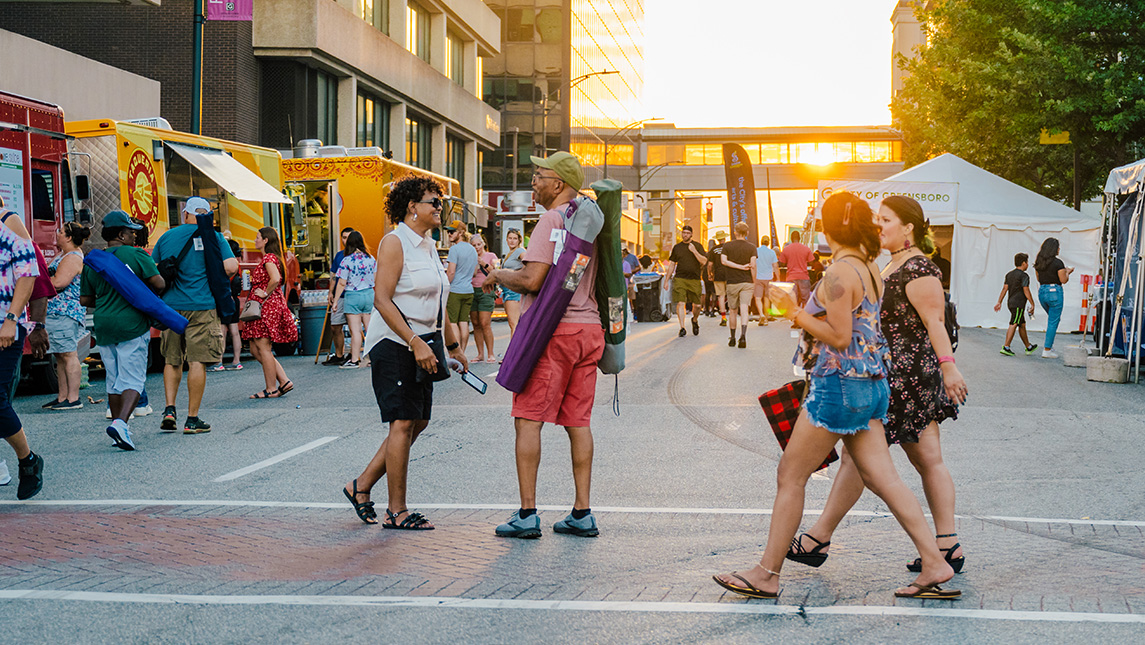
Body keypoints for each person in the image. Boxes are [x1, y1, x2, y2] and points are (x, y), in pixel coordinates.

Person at [713, 191, 959, 601]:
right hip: (870, 384)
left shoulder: (840, 274)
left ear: (828, 229)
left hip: (838, 387)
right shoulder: (869, 268)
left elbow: (840, 337)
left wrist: (793, 311)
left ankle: (766, 574)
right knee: (885, 479)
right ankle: (935, 561)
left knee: (791, 474)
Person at [787, 194, 970, 582]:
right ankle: (940, 546)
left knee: (922, 460)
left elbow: (935, 323)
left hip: (907, 377)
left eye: (887, 220)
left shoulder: (919, 268)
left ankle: (945, 544)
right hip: (887, 372)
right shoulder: (892, 264)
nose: (880, 226)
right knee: (873, 460)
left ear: (909, 227)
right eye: (879, 219)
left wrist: (949, 368)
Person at [482, 151, 604, 540]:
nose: (532, 182)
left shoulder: (551, 220)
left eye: (539, 175)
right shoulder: (589, 223)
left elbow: (533, 280)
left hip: (555, 332)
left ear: (559, 184)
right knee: (578, 422)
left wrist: (497, 274)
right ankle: (582, 512)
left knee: (528, 417)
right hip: (589, 330)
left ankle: (527, 514)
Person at [342, 176, 467, 531]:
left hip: (425, 343)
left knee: (419, 421)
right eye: (434, 202)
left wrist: (453, 346)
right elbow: (382, 299)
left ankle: (361, 486)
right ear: (413, 207)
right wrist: (414, 341)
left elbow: (437, 300)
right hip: (396, 344)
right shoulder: (394, 242)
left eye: (440, 202)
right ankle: (397, 511)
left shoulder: (427, 244)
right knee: (403, 423)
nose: (439, 208)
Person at [79, 212, 165, 450]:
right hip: (131, 323)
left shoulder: (93, 260)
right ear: (121, 234)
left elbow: (85, 298)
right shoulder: (136, 254)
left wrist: (108, 296)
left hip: (104, 323)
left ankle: (120, 429)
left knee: (114, 377)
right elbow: (159, 284)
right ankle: (120, 423)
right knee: (134, 378)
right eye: (130, 232)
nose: (134, 236)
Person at [152, 197, 238, 434]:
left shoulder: (167, 237)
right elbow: (231, 267)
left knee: (172, 359)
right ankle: (192, 419)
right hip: (202, 305)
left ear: (185, 214)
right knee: (196, 361)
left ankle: (169, 409)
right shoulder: (215, 237)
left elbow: (154, 270)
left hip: (170, 308)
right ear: (207, 215)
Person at [0, 211, 45, 499]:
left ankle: (28, 460)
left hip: (4, 328)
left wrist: (12, 318)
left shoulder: (8, 222)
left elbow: (28, 274)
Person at [242, 227, 298, 397]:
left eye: (258, 237)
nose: (255, 240)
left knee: (263, 346)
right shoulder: (272, 258)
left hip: (266, 307)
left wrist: (264, 292)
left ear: (266, 240)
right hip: (267, 305)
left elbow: (275, 279)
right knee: (255, 348)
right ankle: (284, 380)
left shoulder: (268, 258)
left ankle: (271, 388)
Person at [44, 222, 90, 410]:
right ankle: (62, 396)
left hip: (65, 312)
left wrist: (45, 281)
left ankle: (73, 398)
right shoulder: (63, 255)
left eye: (61, 232)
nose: (58, 234)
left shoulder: (72, 257)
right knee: (60, 356)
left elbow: (59, 282)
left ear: (69, 237)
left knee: (69, 354)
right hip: (56, 312)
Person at [332, 230, 377, 369]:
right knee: (370, 329)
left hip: (353, 296)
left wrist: (335, 301)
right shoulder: (371, 258)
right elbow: (375, 278)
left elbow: (341, 282)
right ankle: (374, 358)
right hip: (369, 294)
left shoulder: (347, 260)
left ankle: (354, 359)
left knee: (356, 331)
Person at [664, 224, 707, 337]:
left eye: (687, 233)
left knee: (697, 306)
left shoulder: (697, 246)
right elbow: (672, 264)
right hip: (680, 278)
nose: (685, 235)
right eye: (683, 233)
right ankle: (682, 327)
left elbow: (704, 261)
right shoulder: (677, 247)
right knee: (680, 303)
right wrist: (666, 280)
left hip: (695, 279)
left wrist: (694, 251)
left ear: (691, 234)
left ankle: (694, 320)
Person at [1034, 237, 1073, 358]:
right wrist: (1068, 272)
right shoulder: (1058, 263)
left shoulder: (1039, 262)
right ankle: (1047, 349)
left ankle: (1049, 344)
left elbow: (1038, 279)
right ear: (1054, 249)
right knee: (1053, 321)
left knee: (1053, 319)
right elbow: (1063, 280)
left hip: (1042, 292)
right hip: (1055, 292)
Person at [719, 221, 756, 348]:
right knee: (744, 309)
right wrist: (754, 282)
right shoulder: (752, 247)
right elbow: (753, 266)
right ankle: (743, 336)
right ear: (747, 233)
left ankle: (733, 338)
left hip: (732, 282)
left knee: (733, 311)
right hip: (747, 282)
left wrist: (737, 266)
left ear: (735, 232)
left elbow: (723, 261)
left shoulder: (727, 246)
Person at [445, 220, 477, 357]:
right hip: (468, 290)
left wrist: (445, 285)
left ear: (461, 233)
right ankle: (462, 352)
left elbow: (451, 272)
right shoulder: (472, 249)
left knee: (452, 322)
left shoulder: (454, 249)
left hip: (455, 290)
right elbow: (475, 272)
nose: (449, 234)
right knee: (463, 321)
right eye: (448, 232)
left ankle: (456, 353)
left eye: (452, 232)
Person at [995, 253, 1038, 356]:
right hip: (1019, 304)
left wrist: (999, 302)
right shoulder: (1024, 276)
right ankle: (1006, 346)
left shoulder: (1009, 274)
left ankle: (1028, 346)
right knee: (1014, 323)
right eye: (1027, 262)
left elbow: (1005, 289)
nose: (1027, 265)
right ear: (1023, 263)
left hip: (1011, 303)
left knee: (1022, 324)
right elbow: (1026, 290)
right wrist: (1032, 303)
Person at [213, 237, 244, 372]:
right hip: (235, 300)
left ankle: (219, 361)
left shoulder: (225, 265)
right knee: (235, 332)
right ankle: (236, 361)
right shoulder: (238, 265)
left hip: (224, 299)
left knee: (222, 331)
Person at [324, 227, 354, 366]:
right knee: (335, 326)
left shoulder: (358, 256)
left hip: (353, 294)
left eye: (348, 237)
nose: (345, 240)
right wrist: (331, 292)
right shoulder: (339, 255)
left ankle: (354, 355)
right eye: (343, 237)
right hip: (339, 296)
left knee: (355, 327)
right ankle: (339, 354)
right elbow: (334, 276)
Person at [469, 233, 498, 363]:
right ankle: (480, 354)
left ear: (483, 244)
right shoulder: (471, 257)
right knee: (475, 324)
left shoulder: (491, 256)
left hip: (486, 290)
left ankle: (491, 353)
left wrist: (483, 263)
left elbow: (497, 272)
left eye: (479, 244)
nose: (477, 247)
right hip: (472, 290)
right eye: (474, 245)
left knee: (485, 323)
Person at [500, 228, 526, 344]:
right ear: (506, 239)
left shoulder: (520, 251)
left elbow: (528, 261)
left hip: (513, 291)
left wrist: (517, 274)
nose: (512, 241)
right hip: (507, 290)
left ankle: (513, 355)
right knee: (513, 324)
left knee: (514, 323)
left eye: (515, 239)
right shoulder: (510, 253)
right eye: (510, 238)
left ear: (519, 240)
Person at [779, 230, 814, 307]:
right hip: (804, 277)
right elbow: (812, 262)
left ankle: (794, 317)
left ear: (791, 238)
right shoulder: (806, 249)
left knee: (793, 299)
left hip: (791, 277)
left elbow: (782, 263)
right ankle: (803, 315)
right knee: (805, 300)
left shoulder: (786, 249)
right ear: (800, 238)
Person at [753, 235, 779, 327]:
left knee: (758, 298)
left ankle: (761, 315)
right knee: (767, 298)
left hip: (758, 277)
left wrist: (753, 278)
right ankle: (766, 319)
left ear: (761, 242)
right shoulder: (772, 252)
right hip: (769, 278)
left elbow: (753, 265)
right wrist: (778, 279)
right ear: (768, 243)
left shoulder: (756, 251)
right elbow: (775, 266)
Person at [708, 230, 728, 325]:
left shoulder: (713, 250)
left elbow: (710, 264)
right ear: (725, 238)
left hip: (718, 275)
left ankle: (723, 318)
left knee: (721, 296)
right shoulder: (729, 248)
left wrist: (709, 274)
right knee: (732, 296)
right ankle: (733, 316)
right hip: (730, 275)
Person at [702, 238, 717, 316]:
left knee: (707, 293)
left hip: (705, 274)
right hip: (714, 272)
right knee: (714, 292)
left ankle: (706, 309)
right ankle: (712, 310)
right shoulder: (716, 253)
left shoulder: (706, 254)